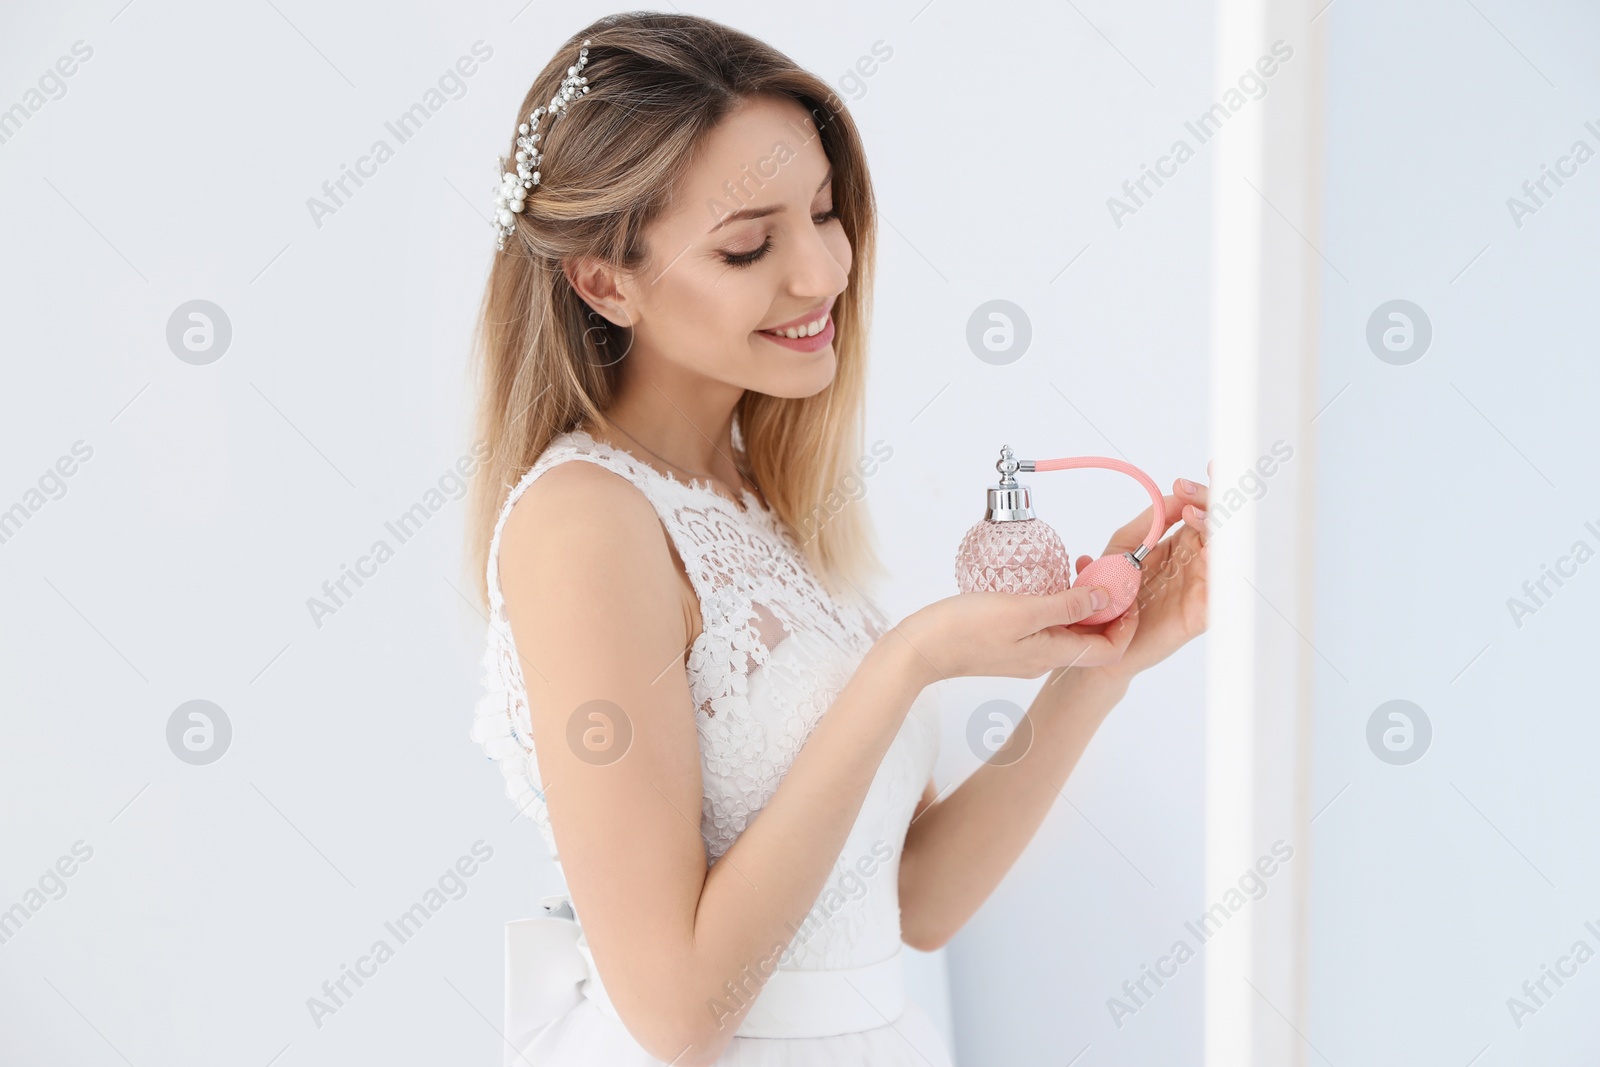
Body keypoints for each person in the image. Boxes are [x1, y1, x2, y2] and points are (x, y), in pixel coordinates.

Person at [464, 13, 1211, 1065]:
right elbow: (677, 1014)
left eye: (824, 212)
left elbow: (915, 898)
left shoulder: (758, 501)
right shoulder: (584, 525)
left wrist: (1103, 665)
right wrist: (911, 658)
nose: (821, 272)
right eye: (746, 244)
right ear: (603, 280)